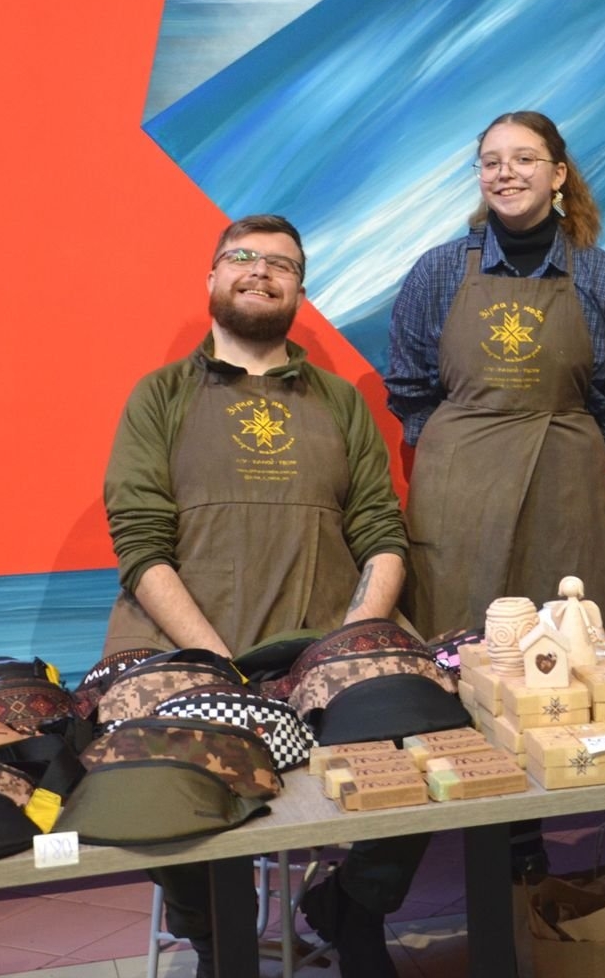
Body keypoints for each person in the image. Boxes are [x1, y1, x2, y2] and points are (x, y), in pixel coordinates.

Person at [102, 214, 419, 978]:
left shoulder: (340, 401)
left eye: (282, 263)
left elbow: (381, 530)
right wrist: (212, 663)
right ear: (212, 277)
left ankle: (357, 905)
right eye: (241, 256)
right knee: (148, 765)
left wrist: (354, 638)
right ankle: (219, 937)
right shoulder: (160, 395)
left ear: (299, 291)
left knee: (432, 722)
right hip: (183, 649)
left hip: (322, 642)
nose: (260, 270)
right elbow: (140, 542)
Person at [385, 110, 605, 639]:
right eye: (491, 163)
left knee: (573, 649)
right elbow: (408, 386)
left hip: (566, 496)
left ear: (558, 175)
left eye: (523, 159)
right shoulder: (437, 273)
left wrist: (574, 453)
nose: (505, 172)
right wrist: (454, 448)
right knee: (457, 649)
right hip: (457, 497)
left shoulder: (603, 278)